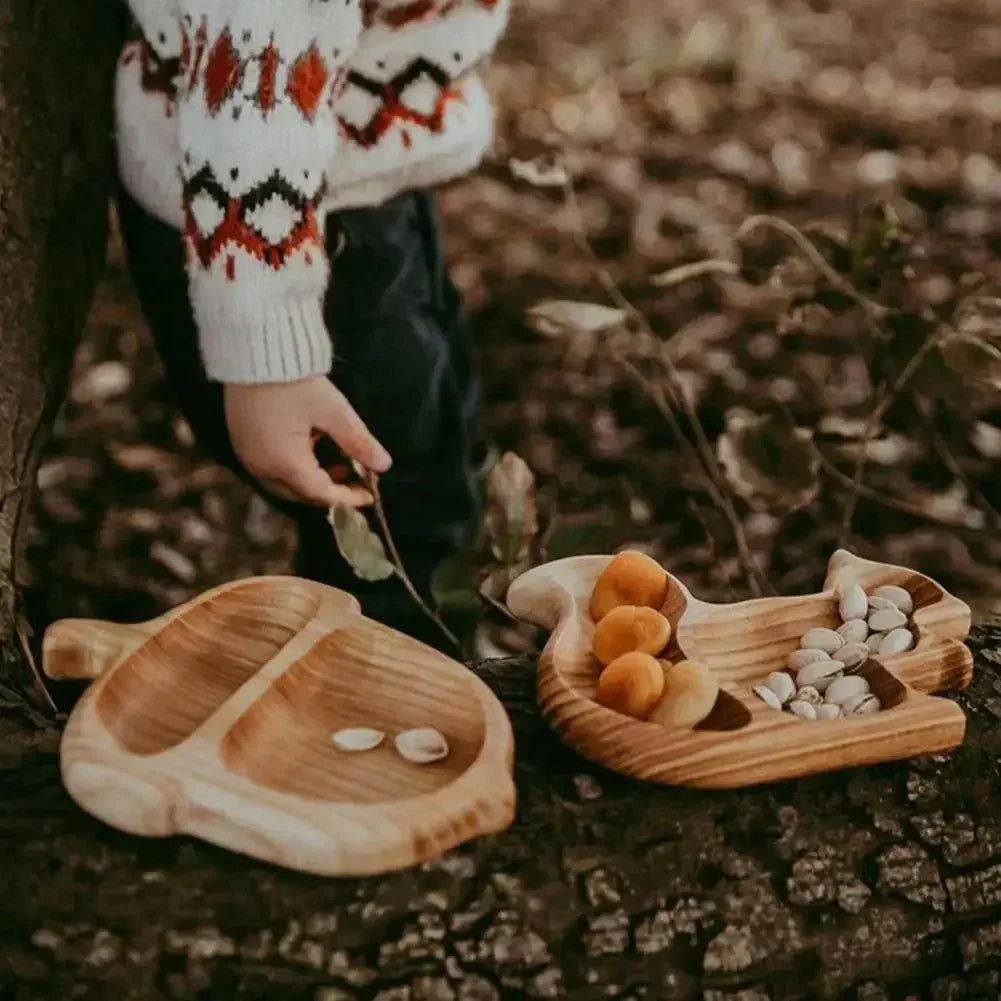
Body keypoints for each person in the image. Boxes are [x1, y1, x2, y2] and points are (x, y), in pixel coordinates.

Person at [113, 0, 510, 644]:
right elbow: (256, 52)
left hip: (344, 165)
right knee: (394, 508)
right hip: (276, 224)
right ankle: (394, 698)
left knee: (439, 429)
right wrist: (267, 362)